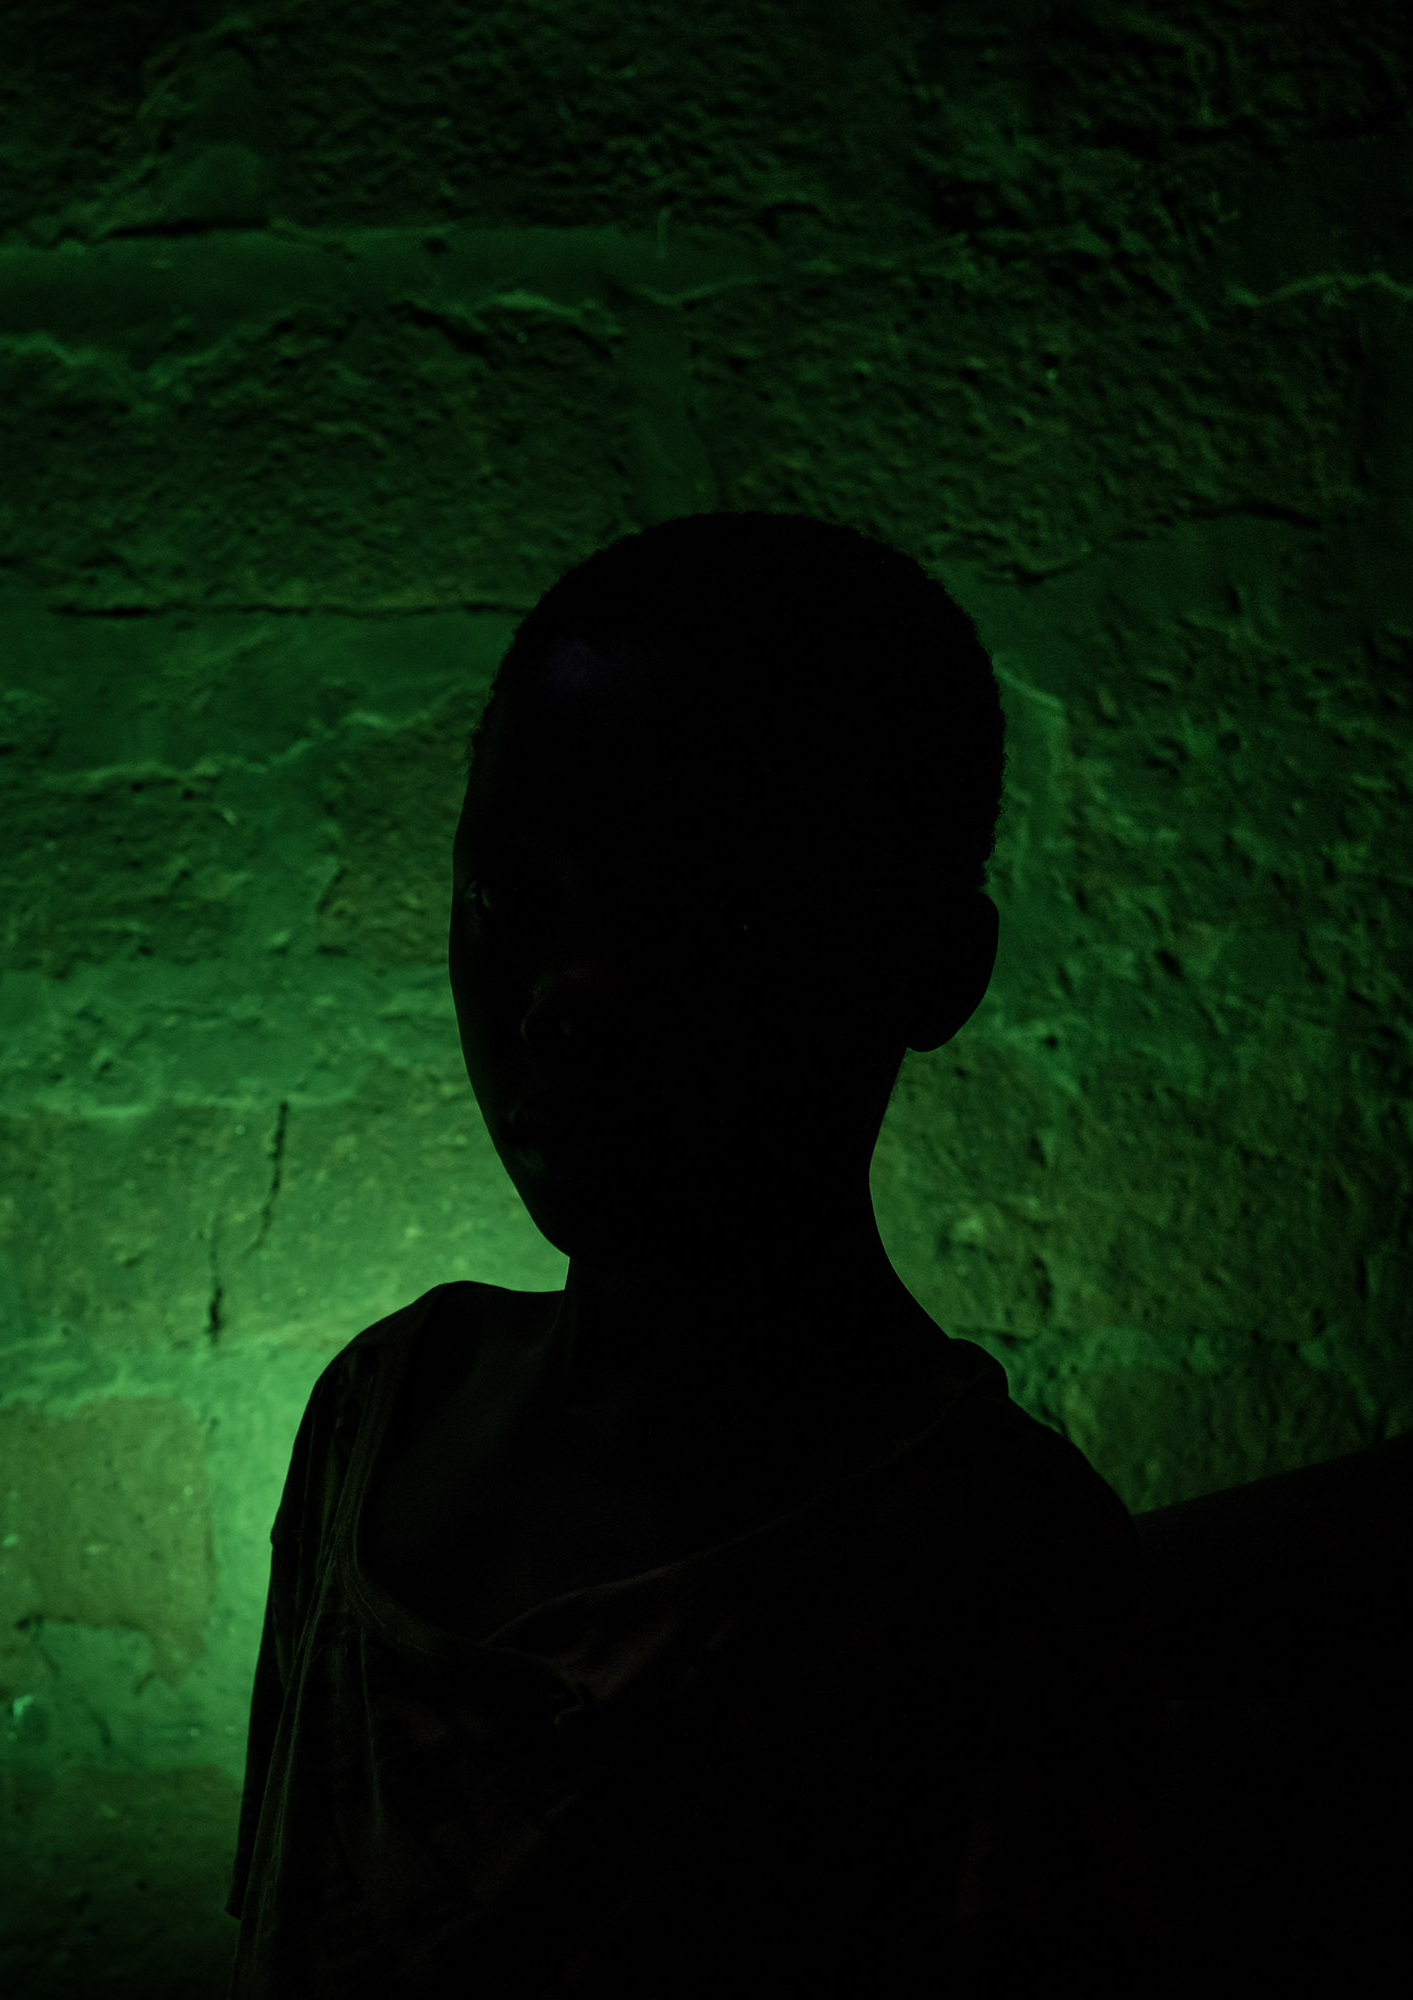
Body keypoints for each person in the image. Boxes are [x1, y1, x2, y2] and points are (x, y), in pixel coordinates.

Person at [229, 514, 1146, 1993]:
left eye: (700, 916)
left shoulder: (990, 1570)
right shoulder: (377, 1419)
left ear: (933, 967)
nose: (567, 999)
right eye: (506, 900)